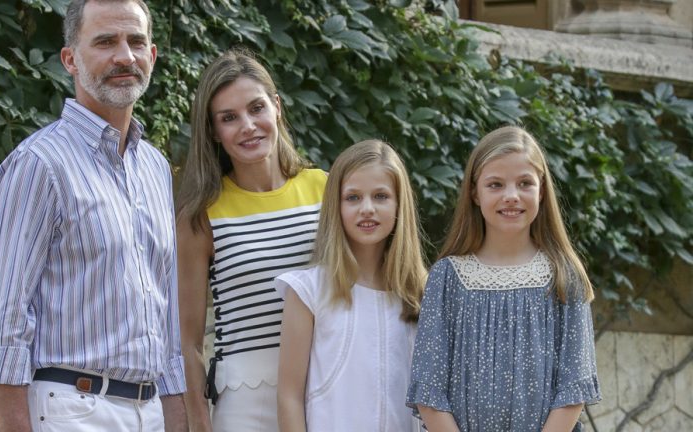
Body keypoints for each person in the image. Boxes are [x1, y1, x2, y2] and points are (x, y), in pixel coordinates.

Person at [0, 1, 187, 430]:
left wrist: (176, 418)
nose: (125, 56)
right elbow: (3, 327)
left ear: (152, 55)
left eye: (136, 42)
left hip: (150, 411)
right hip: (71, 410)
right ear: (70, 59)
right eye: (106, 42)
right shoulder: (40, 164)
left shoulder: (155, 168)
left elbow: (167, 320)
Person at [407, 125, 601, 431]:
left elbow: (573, 389)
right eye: (495, 184)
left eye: (524, 183)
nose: (511, 196)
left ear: (541, 190)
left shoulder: (564, 276)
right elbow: (428, 390)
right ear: (474, 192)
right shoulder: (446, 279)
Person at [176, 49, 327, 431]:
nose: (247, 126)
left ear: (277, 106)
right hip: (246, 405)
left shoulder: (326, 190)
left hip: (327, 389)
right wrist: (200, 424)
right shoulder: (201, 216)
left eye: (256, 108)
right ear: (214, 131)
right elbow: (187, 343)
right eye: (229, 118)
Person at [275, 139, 427, 432]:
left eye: (381, 196)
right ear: (336, 205)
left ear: (400, 204)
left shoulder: (422, 293)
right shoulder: (308, 291)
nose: (367, 208)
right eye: (353, 197)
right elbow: (289, 396)